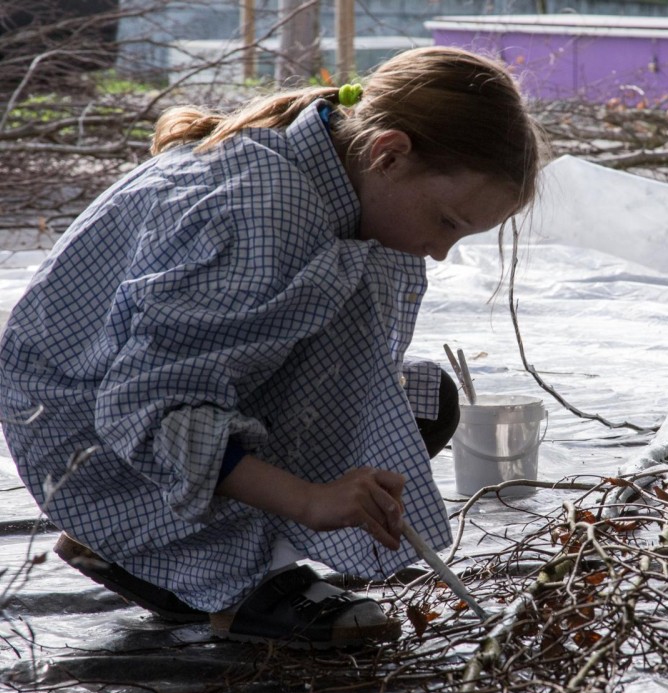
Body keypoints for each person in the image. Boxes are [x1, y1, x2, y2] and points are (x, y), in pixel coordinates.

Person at [0, 46, 545, 648]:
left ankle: (144, 548)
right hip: (82, 440)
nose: (440, 252)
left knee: (419, 400)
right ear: (388, 154)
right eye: (446, 223)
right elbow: (146, 410)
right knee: (380, 416)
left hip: (111, 406)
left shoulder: (322, 166)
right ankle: (236, 581)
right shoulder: (266, 212)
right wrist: (311, 501)